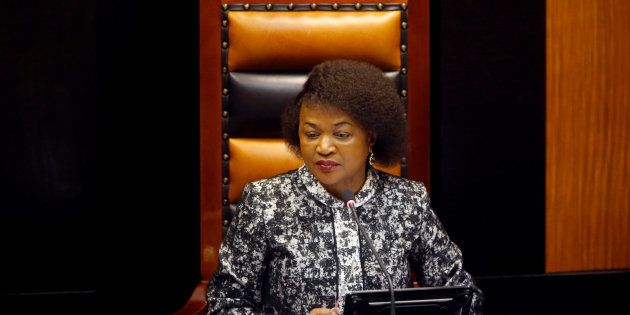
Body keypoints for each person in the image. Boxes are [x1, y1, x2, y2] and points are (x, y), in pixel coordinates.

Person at [206, 60, 483, 314]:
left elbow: (464, 297)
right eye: (311, 134)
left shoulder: (408, 201)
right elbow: (225, 303)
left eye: (341, 134)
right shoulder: (265, 202)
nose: (323, 147)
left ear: (371, 137)